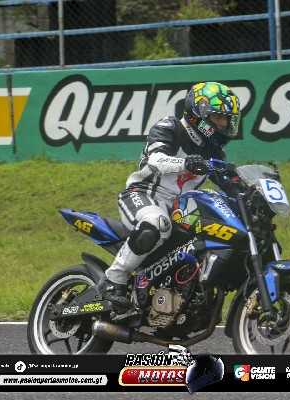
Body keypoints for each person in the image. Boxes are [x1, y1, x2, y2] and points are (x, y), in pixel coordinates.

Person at [98, 82, 241, 311]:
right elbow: (156, 160)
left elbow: (231, 184)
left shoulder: (214, 152)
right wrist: (187, 163)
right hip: (142, 194)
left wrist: (250, 195)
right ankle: (113, 279)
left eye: (226, 119)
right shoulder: (169, 127)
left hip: (178, 208)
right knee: (156, 223)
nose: (224, 124)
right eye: (218, 117)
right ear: (199, 113)